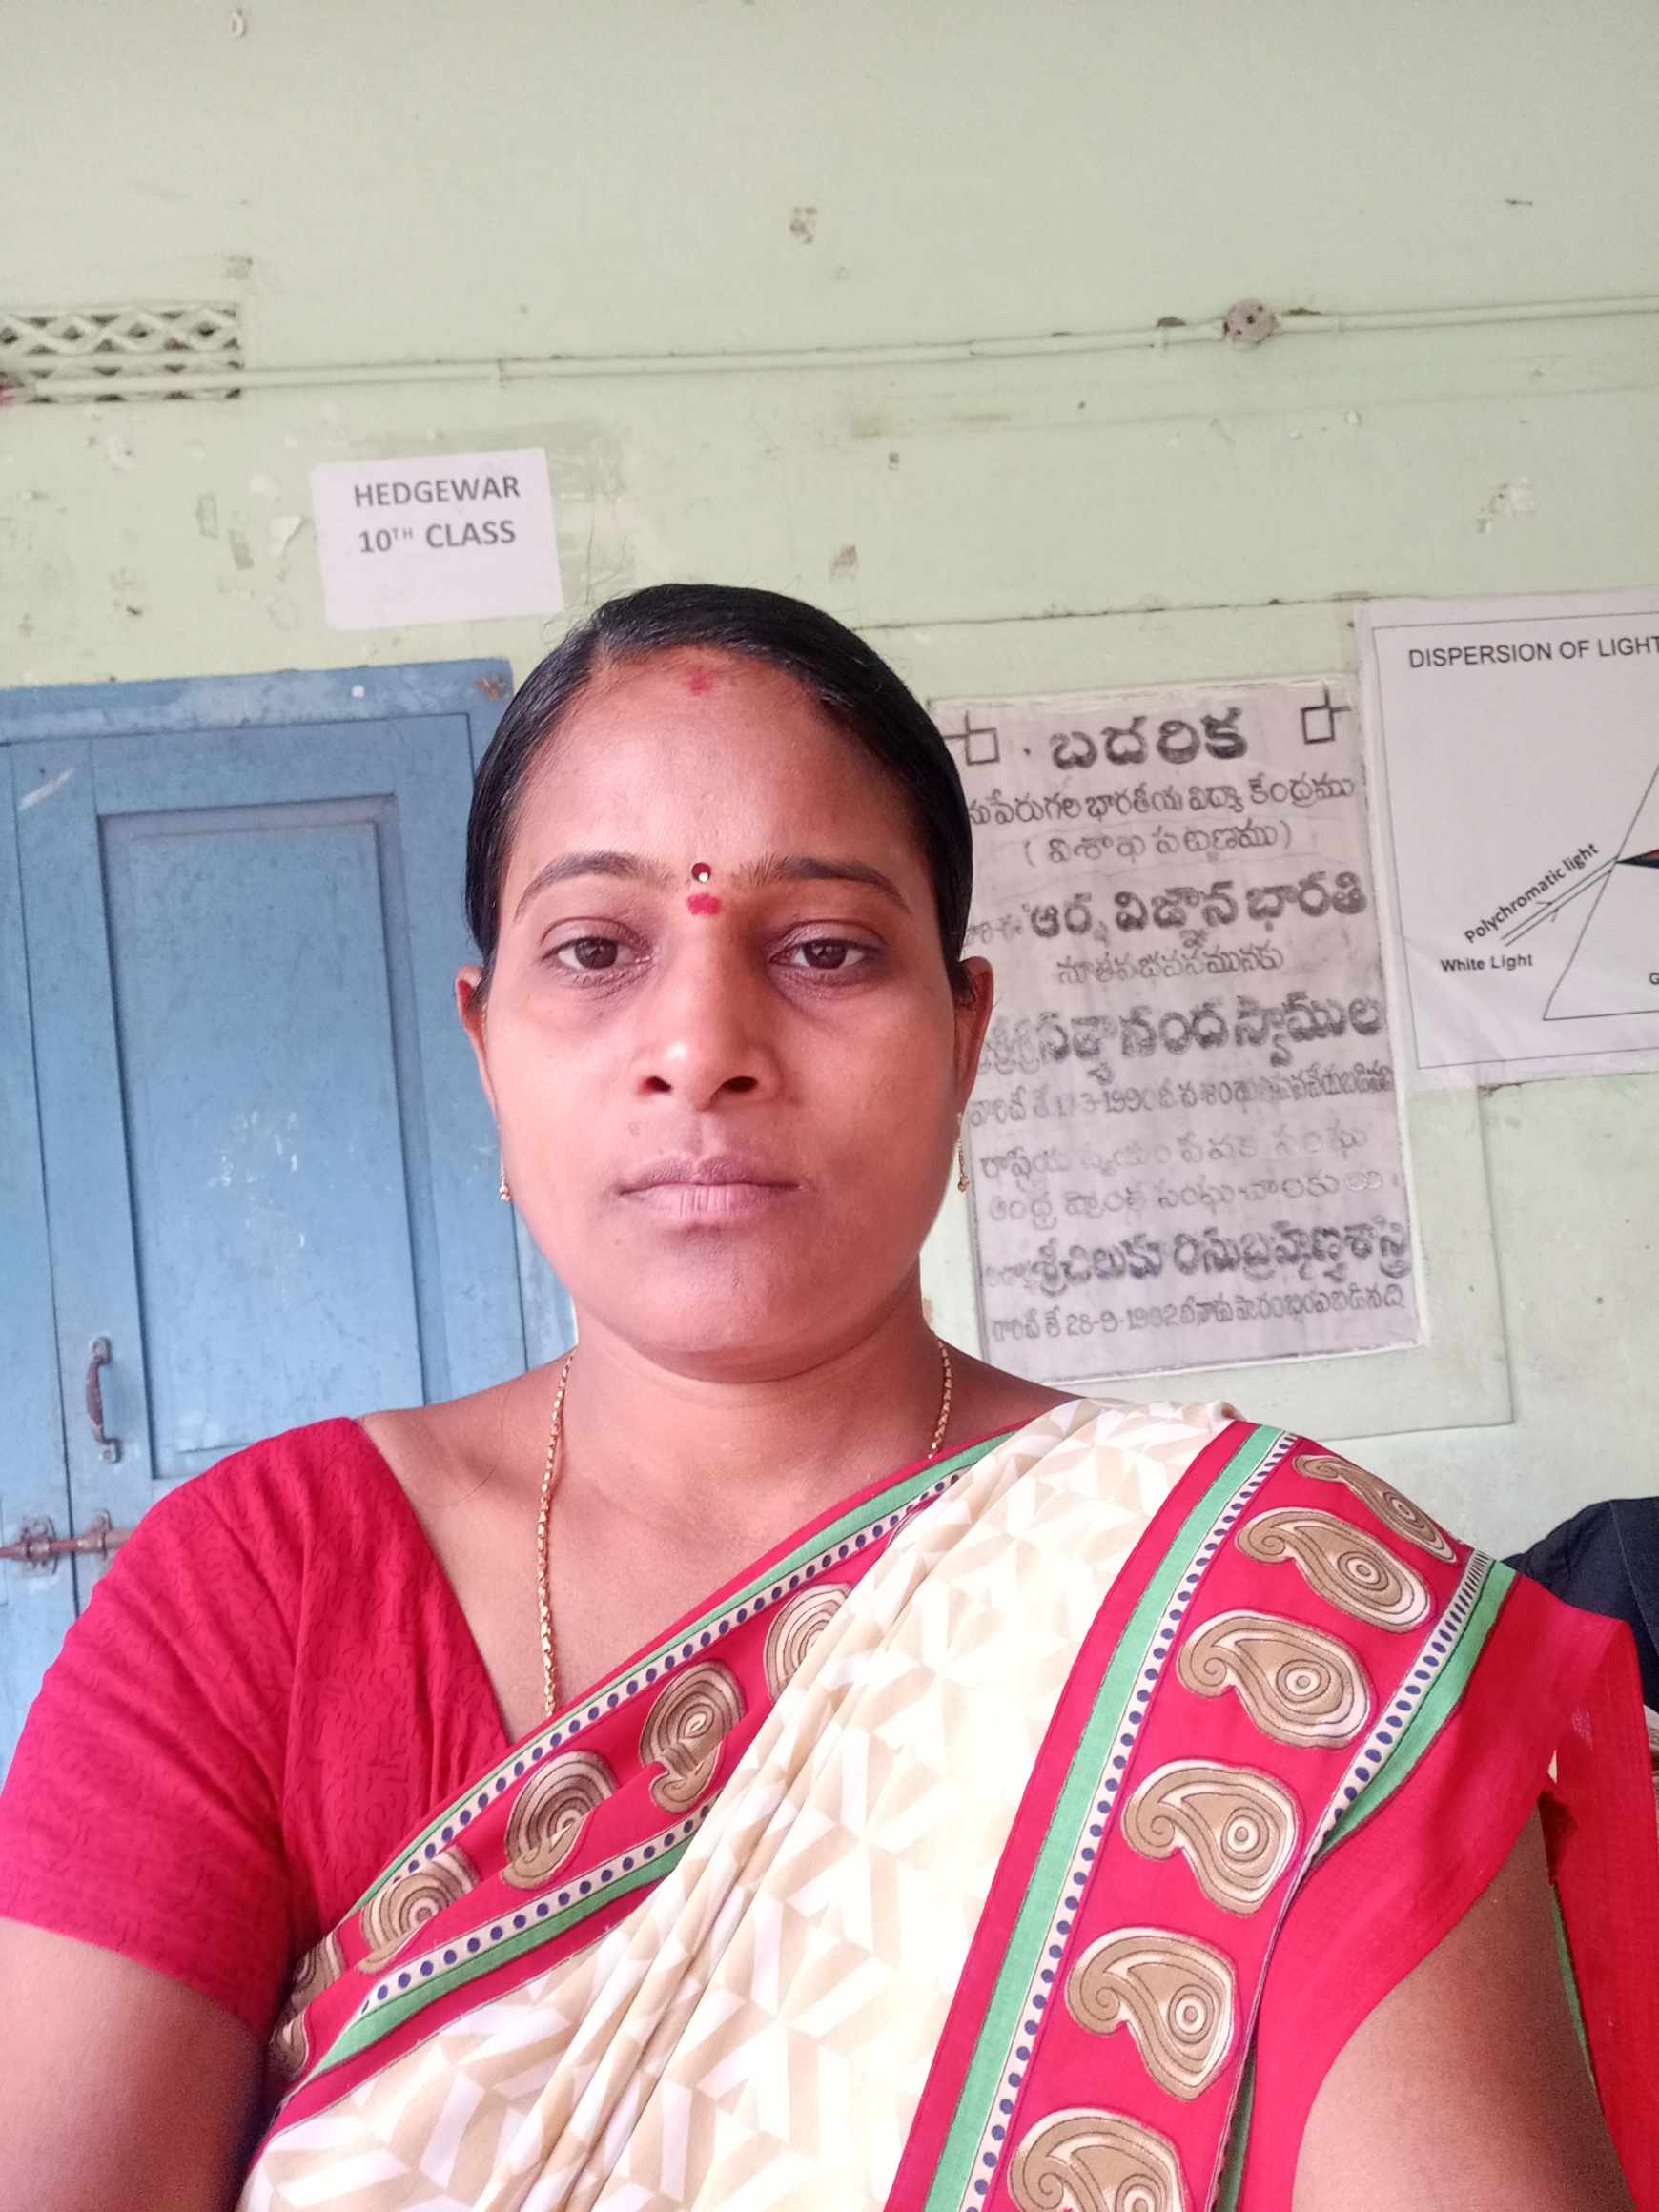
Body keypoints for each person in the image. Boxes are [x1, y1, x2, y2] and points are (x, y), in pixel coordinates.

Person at [0, 584, 1652, 2212]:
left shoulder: (1267, 1604)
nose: (703, 1044)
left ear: (964, 1036)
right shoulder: (259, 1594)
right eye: (595, 949)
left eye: (825, 950)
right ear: (487, 1045)